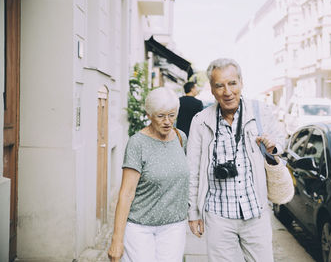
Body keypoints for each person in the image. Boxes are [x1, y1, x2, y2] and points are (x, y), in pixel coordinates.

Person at [187, 58, 285, 262]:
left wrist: (272, 146)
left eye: (232, 83)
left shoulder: (260, 112)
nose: (227, 91)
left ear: (241, 83)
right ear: (212, 90)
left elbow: (281, 142)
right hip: (218, 216)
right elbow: (193, 171)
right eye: (219, 85)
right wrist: (194, 213)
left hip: (255, 214)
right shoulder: (201, 121)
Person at [108, 87, 189, 262]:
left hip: (174, 227)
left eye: (172, 115)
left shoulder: (181, 138)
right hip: (140, 228)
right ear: (149, 114)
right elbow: (126, 193)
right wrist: (117, 239)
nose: (167, 121)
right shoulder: (138, 143)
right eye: (161, 116)